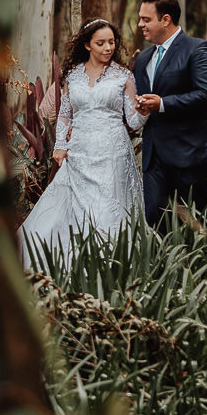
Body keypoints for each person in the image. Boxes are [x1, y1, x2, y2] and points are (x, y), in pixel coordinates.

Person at [18, 18, 145, 269]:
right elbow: (65, 115)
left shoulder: (123, 76)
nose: (108, 48)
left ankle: (108, 265)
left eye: (111, 42)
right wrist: (60, 146)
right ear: (87, 45)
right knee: (69, 206)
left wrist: (144, 111)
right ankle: (63, 263)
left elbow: (133, 120)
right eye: (101, 43)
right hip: (79, 151)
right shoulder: (72, 76)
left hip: (113, 152)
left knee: (107, 207)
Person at [134, 0, 207, 229]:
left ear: (166, 20)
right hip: (154, 156)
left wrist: (162, 104)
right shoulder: (143, 59)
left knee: (188, 226)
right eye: (140, 18)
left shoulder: (199, 49)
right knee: (154, 219)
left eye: (146, 19)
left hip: (190, 153)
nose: (140, 24)